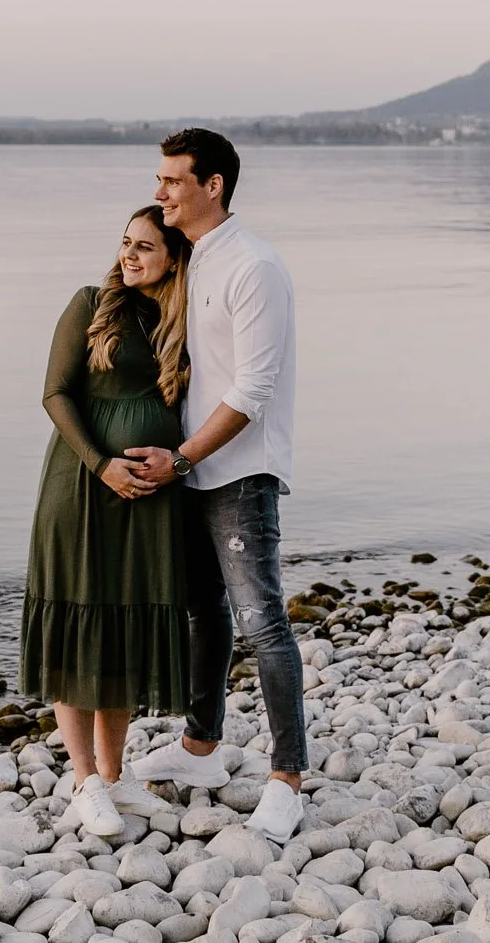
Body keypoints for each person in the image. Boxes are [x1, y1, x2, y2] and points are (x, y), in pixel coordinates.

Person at [128, 127, 309, 843]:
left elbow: (254, 389)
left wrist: (181, 457)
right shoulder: (197, 260)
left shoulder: (254, 267)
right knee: (204, 611)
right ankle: (201, 748)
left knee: (262, 620)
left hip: (240, 471)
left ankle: (288, 780)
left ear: (214, 186)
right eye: (160, 178)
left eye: (172, 180)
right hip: (195, 468)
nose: (159, 191)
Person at [20, 205, 197, 838]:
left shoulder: (185, 317)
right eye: (126, 243)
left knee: (121, 629)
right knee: (79, 624)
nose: (131, 255)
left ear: (173, 257)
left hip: (152, 501)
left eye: (146, 247)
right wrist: (102, 466)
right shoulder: (92, 303)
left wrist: (173, 466)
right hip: (82, 488)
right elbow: (55, 394)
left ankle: (116, 778)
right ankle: (84, 781)